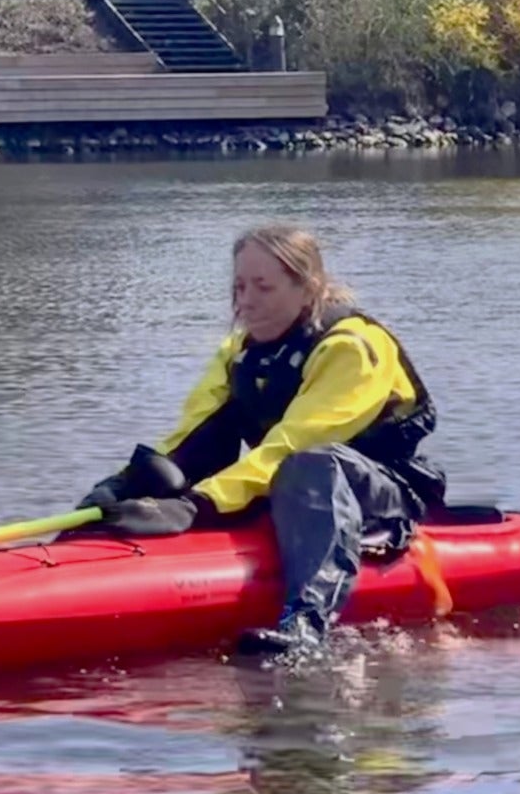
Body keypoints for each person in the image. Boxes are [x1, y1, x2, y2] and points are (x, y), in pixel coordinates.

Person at [80, 224, 445, 660]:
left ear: (307, 288)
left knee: (313, 463)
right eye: (238, 286)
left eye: (263, 287)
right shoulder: (240, 352)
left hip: (381, 493)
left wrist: (199, 505)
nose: (246, 301)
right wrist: (125, 488)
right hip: (287, 485)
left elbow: (295, 443)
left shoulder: (355, 348)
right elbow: (194, 433)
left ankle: (307, 625)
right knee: (172, 465)